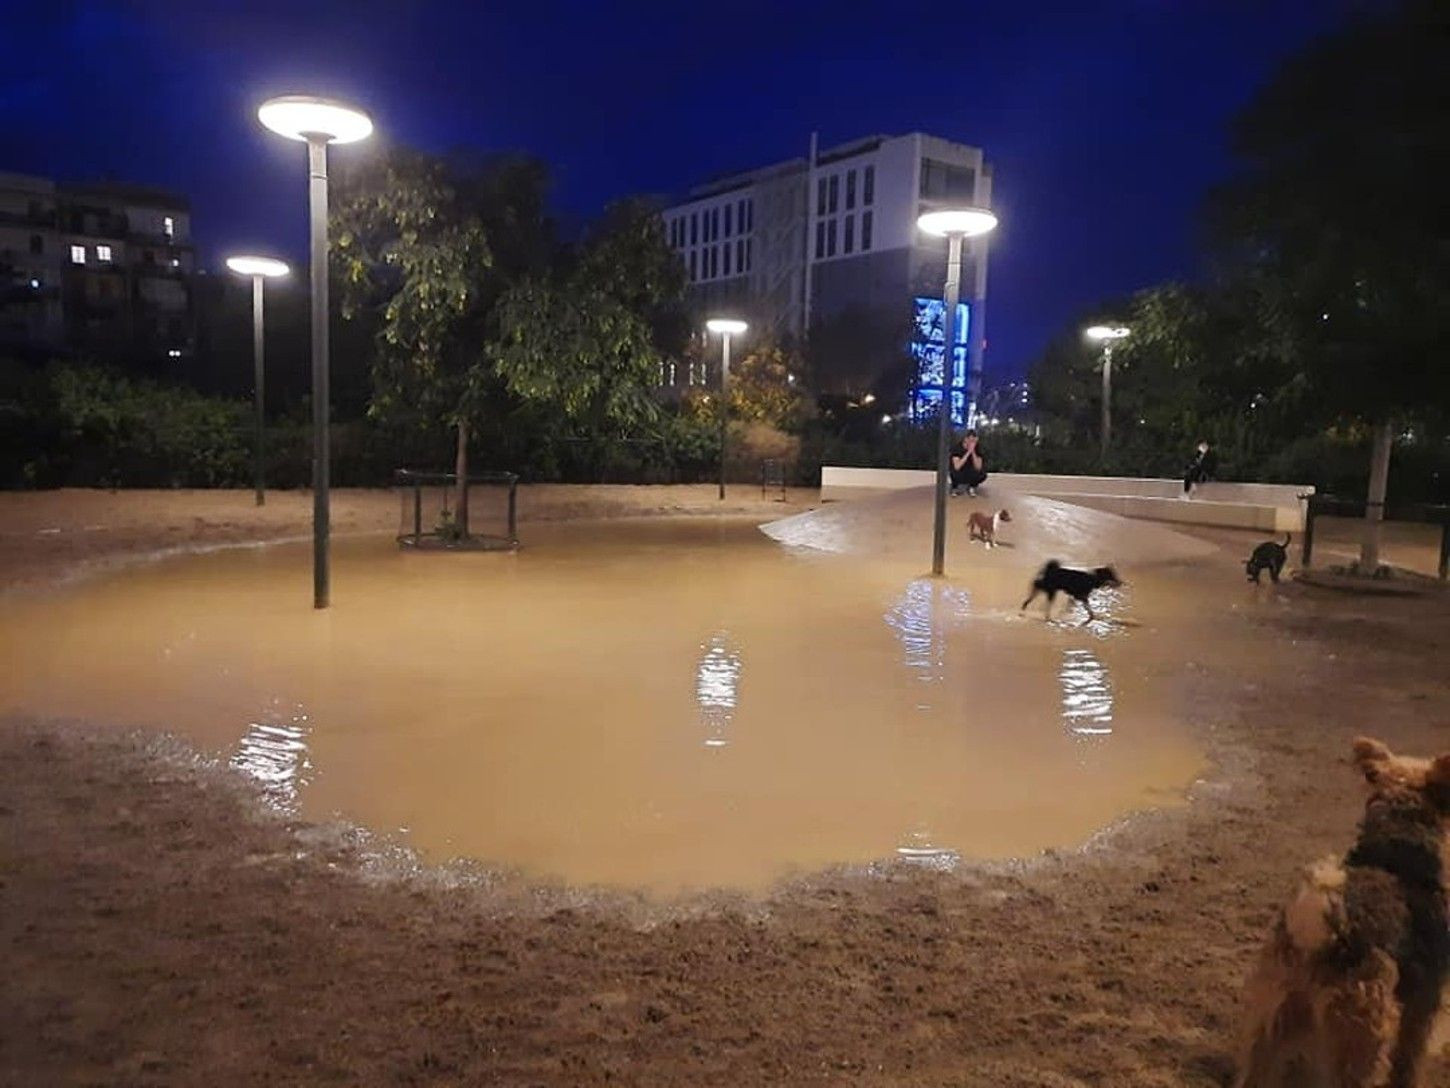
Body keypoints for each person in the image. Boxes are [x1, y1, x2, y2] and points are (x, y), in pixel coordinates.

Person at [950, 430, 987, 496]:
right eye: (970, 440)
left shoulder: (978, 448)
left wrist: (973, 452)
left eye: (973, 441)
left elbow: (978, 467)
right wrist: (968, 452)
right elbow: (957, 466)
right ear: (965, 439)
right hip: (959, 471)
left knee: (982, 474)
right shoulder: (957, 448)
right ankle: (954, 487)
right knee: (954, 473)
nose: (972, 443)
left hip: (970, 470)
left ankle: (972, 486)